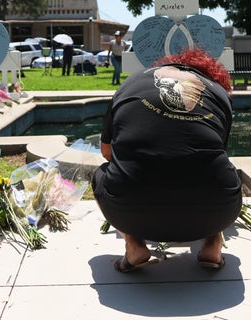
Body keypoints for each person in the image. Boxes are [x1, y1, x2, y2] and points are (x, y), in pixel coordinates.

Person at [92, 48, 243, 273]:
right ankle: (213, 245)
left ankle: (134, 246)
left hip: (130, 210)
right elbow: (217, 151)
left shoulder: (131, 84)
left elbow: (107, 152)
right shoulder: (218, 92)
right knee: (214, 169)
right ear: (210, 76)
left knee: (100, 174)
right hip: (217, 211)